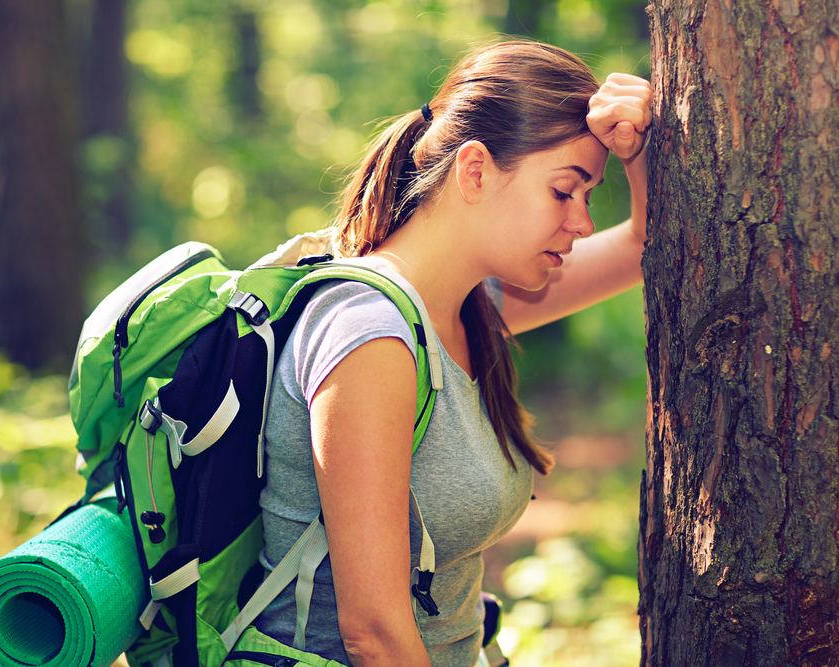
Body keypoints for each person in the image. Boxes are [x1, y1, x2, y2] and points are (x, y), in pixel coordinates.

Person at [253, 40, 652, 667]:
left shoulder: (469, 306)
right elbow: (375, 634)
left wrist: (640, 151)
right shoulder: (370, 335)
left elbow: (643, 246)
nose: (580, 222)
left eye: (588, 196)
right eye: (564, 192)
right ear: (474, 172)